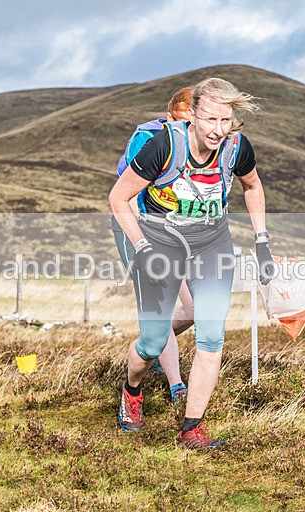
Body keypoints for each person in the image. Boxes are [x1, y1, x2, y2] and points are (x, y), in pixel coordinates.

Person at [110, 77, 275, 448]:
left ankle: (191, 430)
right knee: (152, 343)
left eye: (225, 121)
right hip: (161, 243)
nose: (218, 130)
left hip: (211, 245)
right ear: (194, 115)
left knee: (212, 336)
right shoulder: (164, 145)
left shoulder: (236, 148)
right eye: (210, 119)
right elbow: (118, 198)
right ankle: (132, 389)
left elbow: (253, 185)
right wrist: (141, 247)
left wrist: (262, 241)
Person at [112, 87, 196, 402]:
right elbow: (128, 196)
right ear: (169, 115)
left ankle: (154, 341)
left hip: (175, 232)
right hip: (138, 228)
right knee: (162, 305)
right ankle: (176, 387)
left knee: (195, 309)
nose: (187, 127)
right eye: (182, 120)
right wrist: (143, 244)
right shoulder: (149, 139)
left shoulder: (202, 146)